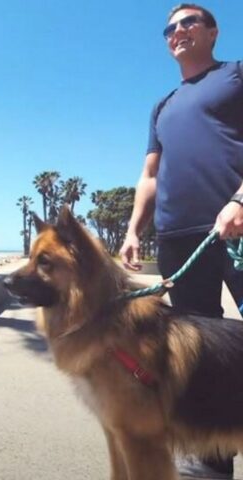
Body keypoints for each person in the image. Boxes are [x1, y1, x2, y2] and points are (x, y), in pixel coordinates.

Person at [120, 4, 243, 479]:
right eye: (169, 27)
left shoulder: (234, 76)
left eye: (189, 21)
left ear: (213, 31)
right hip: (178, 239)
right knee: (201, 352)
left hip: (236, 226)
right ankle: (212, 463)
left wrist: (239, 199)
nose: (178, 31)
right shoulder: (163, 105)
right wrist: (134, 229)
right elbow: (149, 174)